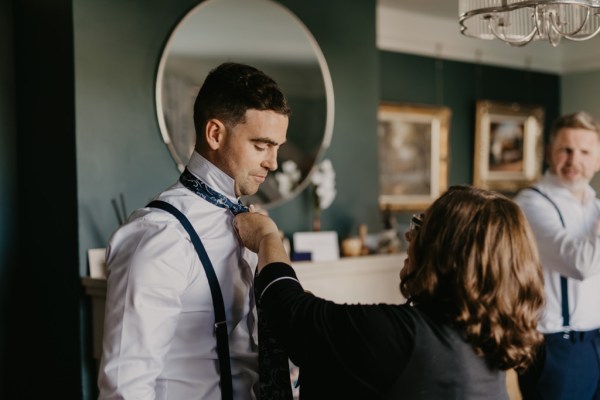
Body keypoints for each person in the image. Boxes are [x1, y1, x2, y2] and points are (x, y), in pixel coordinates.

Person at [233, 185, 546, 399]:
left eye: (423, 228)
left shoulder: (406, 337)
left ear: (450, 255)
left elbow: (291, 313)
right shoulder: (486, 335)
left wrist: (267, 237)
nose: (409, 235)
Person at [97, 62, 291, 399]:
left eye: (277, 147)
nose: (273, 163)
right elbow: (125, 387)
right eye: (261, 146)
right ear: (215, 134)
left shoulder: (253, 227)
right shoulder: (160, 234)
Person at [514, 111, 600, 399]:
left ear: (598, 159)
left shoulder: (595, 206)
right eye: (566, 149)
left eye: (585, 151)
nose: (575, 160)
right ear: (550, 153)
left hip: (596, 343)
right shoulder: (531, 203)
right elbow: (582, 265)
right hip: (558, 350)